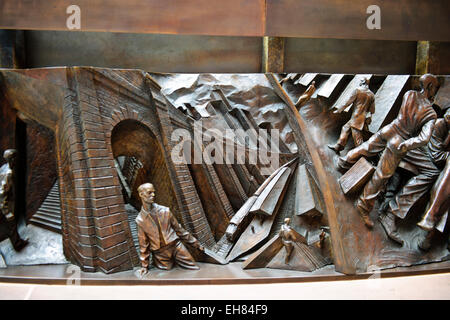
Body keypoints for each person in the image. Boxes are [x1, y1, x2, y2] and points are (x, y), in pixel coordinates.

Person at [337, 74, 440, 244]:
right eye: (434, 88)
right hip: (400, 141)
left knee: (367, 147)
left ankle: (344, 161)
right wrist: (407, 145)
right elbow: (423, 138)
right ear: (430, 87)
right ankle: (364, 205)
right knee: (383, 175)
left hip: (390, 130)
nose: (434, 92)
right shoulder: (430, 113)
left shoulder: (409, 94)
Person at [136, 183, 204, 276]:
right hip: (160, 254)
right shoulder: (140, 220)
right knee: (166, 275)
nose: (153, 195)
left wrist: (196, 243)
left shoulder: (165, 211)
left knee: (194, 268)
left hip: (176, 247)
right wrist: (144, 265)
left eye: (154, 192)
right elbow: (143, 244)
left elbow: (179, 230)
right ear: (141, 195)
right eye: (149, 193)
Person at [328, 78, 375, 154]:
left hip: (356, 118)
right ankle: (338, 146)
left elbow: (348, 102)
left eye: (360, 81)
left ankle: (364, 155)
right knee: (345, 128)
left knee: (358, 140)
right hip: (361, 118)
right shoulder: (371, 94)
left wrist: (339, 110)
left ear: (362, 82)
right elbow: (372, 110)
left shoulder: (358, 90)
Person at [0, 149, 28, 252]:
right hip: (4, 205)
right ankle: (17, 244)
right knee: (11, 225)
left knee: (11, 226)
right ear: (12, 159)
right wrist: (6, 211)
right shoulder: (8, 173)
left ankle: (18, 243)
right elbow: (2, 192)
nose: (17, 160)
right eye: (16, 157)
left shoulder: (3, 168)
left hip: (4, 204)